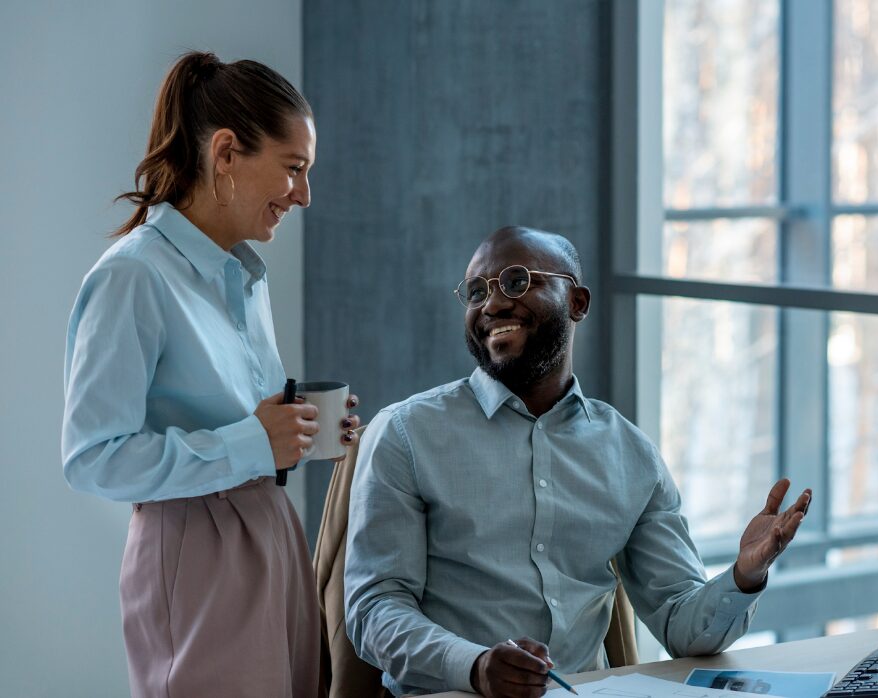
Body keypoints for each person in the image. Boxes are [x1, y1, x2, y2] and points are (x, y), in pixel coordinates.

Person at [344, 226, 813, 697]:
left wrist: (745, 575)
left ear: (577, 303)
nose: (492, 305)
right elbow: (374, 608)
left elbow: (681, 626)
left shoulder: (629, 453)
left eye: (516, 281)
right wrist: (475, 666)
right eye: (476, 292)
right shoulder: (406, 433)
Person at [62, 51, 360, 697]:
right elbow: (93, 457)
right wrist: (255, 443)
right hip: (196, 554)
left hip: (273, 533)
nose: (303, 195)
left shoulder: (244, 276)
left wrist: (299, 428)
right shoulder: (132, 276)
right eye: (293, 168)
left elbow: (231, 416)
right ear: (226, 153)